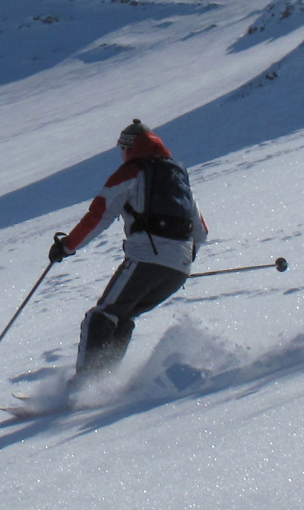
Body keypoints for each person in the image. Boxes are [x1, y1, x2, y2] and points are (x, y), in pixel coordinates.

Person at [47, 118, 207, 386]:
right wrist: (182, 259)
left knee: (100, 317)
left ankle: (84, 385)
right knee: (121, 317)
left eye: (122, 148)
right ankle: (104, 384)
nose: (121, 154)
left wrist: (66, 247)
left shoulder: (131, 173)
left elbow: (98, 216)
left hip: (147, 258)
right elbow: (201, 231)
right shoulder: (177, 179)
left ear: (130, 147)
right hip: (178, 269)